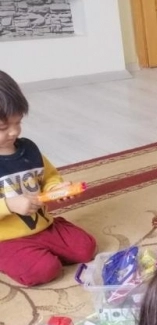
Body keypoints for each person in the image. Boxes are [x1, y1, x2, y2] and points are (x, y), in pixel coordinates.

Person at [0, 70, 96, 286]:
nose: (14, 132)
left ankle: (42, 247)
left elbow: (48, 175)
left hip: (44, 225)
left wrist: (55, 188)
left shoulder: (28, 149)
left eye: (18, 123)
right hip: (6, 239)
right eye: (3, 128)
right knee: (44, 270)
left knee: (86, 248)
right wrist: (9, 205)